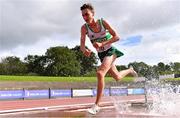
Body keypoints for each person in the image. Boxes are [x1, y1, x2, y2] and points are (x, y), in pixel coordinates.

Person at [80, 3, 138, 115]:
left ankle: (96, 106)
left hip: (111, 51)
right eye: (83, 15)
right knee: (117, 77)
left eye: (87, 14)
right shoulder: (84, 28)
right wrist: (85, 50)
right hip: (101, 55)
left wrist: (102, 43)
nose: (85, 17)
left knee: (100, 73)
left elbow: (116, 37)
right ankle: (130, 70)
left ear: (93, 13)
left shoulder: (103, 22)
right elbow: (82, 44)